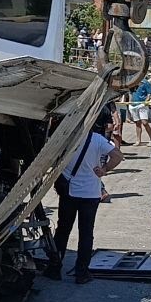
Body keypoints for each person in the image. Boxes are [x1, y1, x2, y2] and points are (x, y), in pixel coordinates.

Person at [47, 104, 123, 284]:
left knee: (63, 230)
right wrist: (104, 170)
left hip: (69, 191)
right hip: (90, 192)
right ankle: (82, 272)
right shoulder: (96, 139)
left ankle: (55, 268)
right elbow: (118, 156)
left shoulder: (66, 139)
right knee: (86, 233)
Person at [128, 75, 151, 145]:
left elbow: (149, 94)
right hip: (133, 104)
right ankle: (138, 140)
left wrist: (145, 102)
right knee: (137, 123)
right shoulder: (131, 82)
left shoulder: (145, 82)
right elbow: (130, 93)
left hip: (142, 104)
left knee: (145, 122)